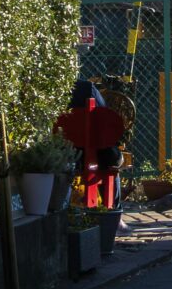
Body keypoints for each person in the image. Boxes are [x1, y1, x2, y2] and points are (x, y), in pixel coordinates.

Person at [52, 80, 125, 210]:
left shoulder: (58, 95)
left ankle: (65, 208)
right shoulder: (89, 89)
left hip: (70, 155)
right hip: (101, 155)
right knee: (112, 162)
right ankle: (114, 211)